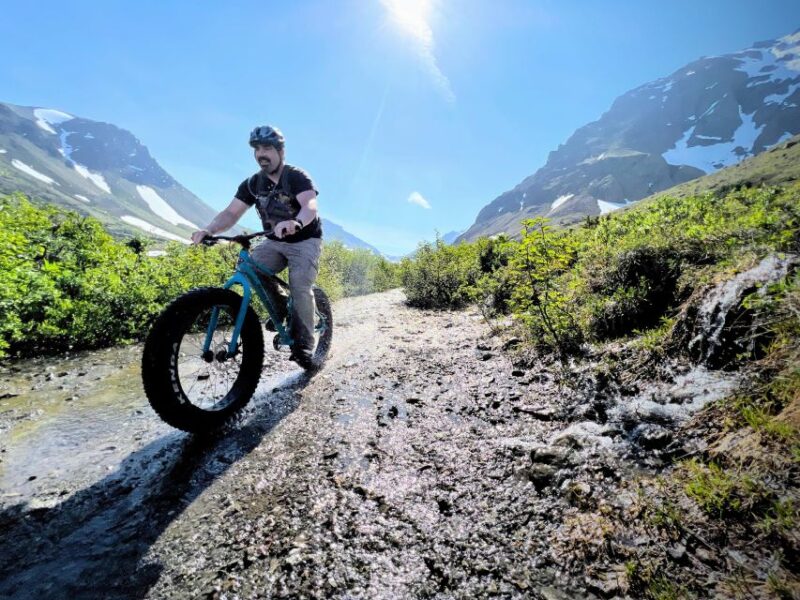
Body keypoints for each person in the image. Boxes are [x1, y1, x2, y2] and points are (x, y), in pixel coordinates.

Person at [191, 125, 323, 367]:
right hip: (274, 240)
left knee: (300, 286)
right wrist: (209, 230)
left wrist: (296, 222)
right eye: (257, 149)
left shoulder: (296, 176)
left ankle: (304, 345)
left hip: (305, 240)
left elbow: (310, 206)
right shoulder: (253, 184)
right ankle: (280, 307)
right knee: (250, 267)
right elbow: (231, 213)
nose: (261, 154)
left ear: (280, 151)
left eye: (267, 148)